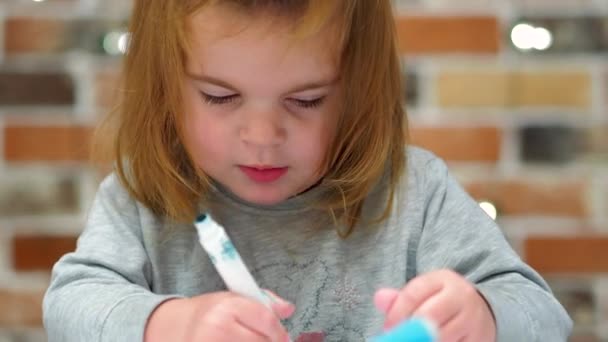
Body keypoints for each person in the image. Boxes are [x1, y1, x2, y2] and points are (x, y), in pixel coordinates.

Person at [43, 1, 572, 341]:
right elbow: (69, 302)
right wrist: (167, 324)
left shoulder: (415, 192)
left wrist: (482, 313)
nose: (262, 136)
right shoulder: (143, 198)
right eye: (219, 96)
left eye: (307, 100)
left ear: (358, 92)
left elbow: (542, 312)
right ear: (166, 87)